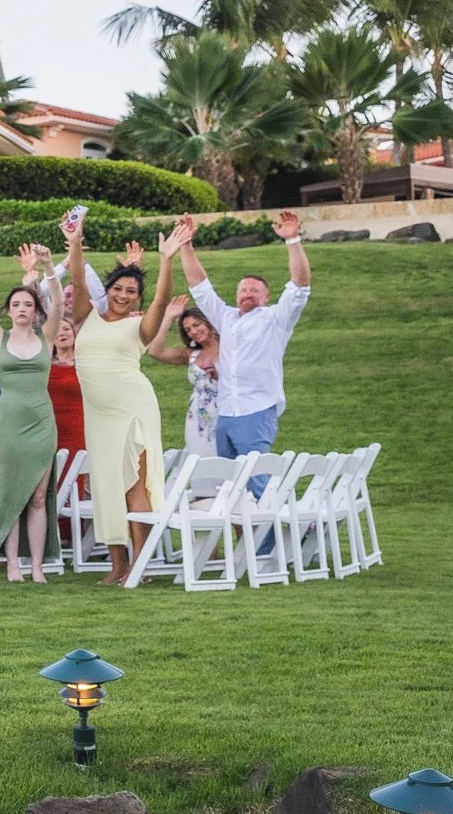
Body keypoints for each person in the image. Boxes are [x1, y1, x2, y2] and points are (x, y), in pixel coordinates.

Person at [66, 211, 189, 585]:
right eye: (118, 288)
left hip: (132, 406)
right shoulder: (86, 316)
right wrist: (74, 241)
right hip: (98, 414)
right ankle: (117, 565)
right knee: (106, 486)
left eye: (131, 292)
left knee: (135, 483)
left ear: (138, 297)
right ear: (109, 289)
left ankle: (140, 562)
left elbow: (163, 298)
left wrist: (165, 259)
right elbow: (76, 279)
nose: (123, 295)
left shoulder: (140, 325)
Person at [174, 211, 311, 463]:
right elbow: (199, 286)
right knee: (230, 482)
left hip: (256, 409)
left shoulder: (276, 318)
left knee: (257, 478)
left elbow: (300, 286)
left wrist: (292, 241)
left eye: (254, 290)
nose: (247, 293)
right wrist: (186, 244)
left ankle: (267, 504)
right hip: (226, 412)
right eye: (243, 289)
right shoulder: (225, 318)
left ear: (266, 297)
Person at [0, 243, 62, 581]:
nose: (22, 308)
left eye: (28, 303)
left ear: (36, 309)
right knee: (10, 493)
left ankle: (37, 566)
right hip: (8, 422)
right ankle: (13, 564)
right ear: (8, 311)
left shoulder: (47, 334)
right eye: (16, 304)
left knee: (38, 496)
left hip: (41, 421)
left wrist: (49, 265)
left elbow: (61, 302)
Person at [148, 296, 223, 452]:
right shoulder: (192, 355)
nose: (194, 331)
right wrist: (168, 317)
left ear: (208, 322)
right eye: (188, 329)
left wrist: (218, 375)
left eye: (197, 325)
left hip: (224, 414)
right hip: (197, 419)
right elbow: (155, 351)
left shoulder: (229, 349)